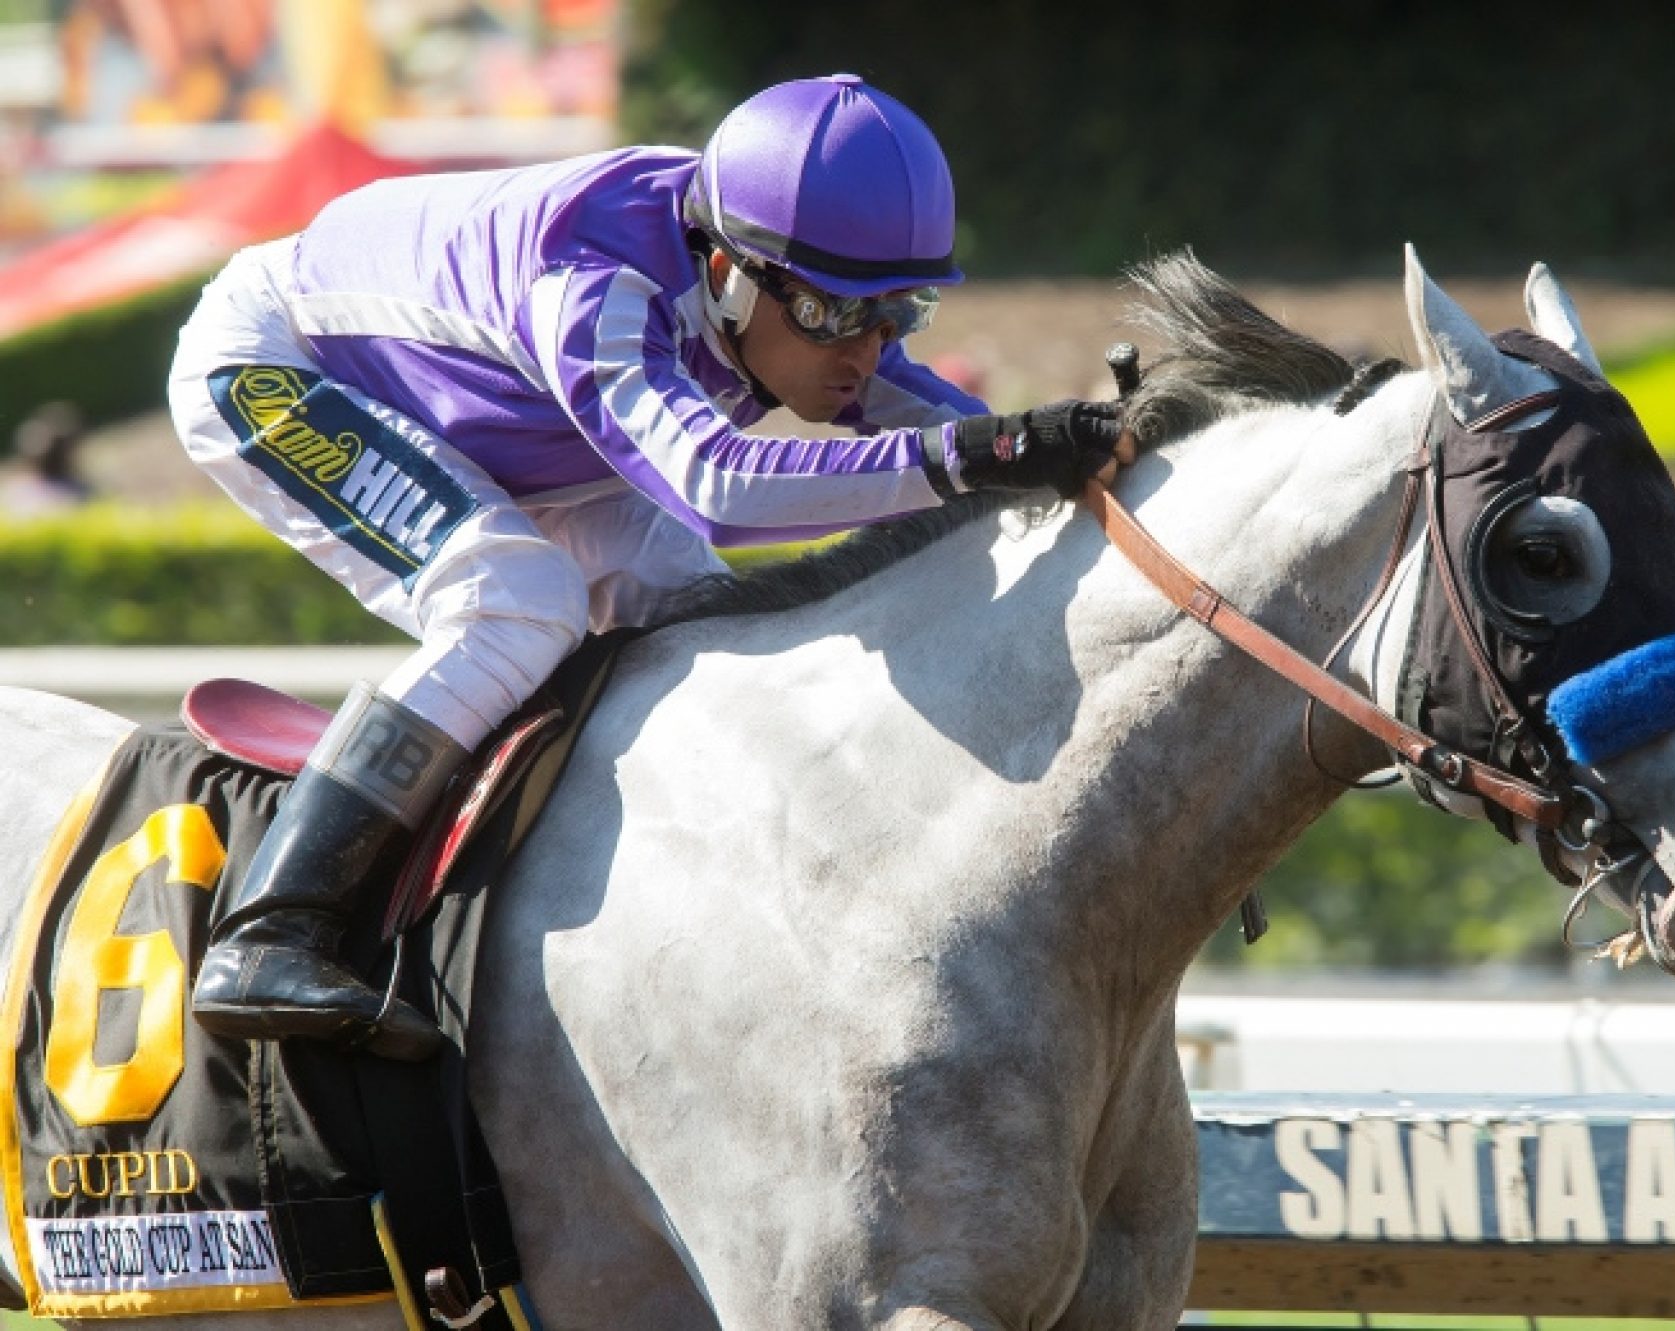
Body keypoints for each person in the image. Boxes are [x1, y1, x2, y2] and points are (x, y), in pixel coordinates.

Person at [170, 74, 1129, 1061]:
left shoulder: (776, 277)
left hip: (510, 425)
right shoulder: (600, 283)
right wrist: (977, 458)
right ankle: (271, 925)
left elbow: (948, 424)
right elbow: (717, 486)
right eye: (838, 315)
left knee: (700, 618)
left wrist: (1084, 442)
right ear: (727, 270)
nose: (867, 347)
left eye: (898, 311)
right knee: (511, 599)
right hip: (280, 364)